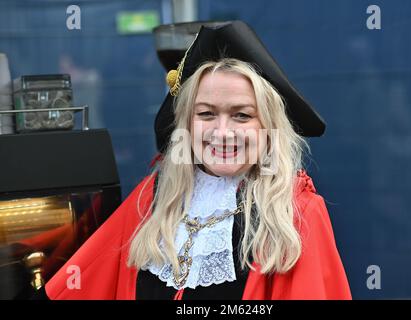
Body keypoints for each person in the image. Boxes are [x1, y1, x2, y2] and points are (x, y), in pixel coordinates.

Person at [41, 21, 351, 300]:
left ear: (268, 129)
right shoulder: (153, 198)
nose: (222, 132)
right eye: (206, 114)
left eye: (241, 115)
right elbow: (80, 282)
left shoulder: (297, 213)